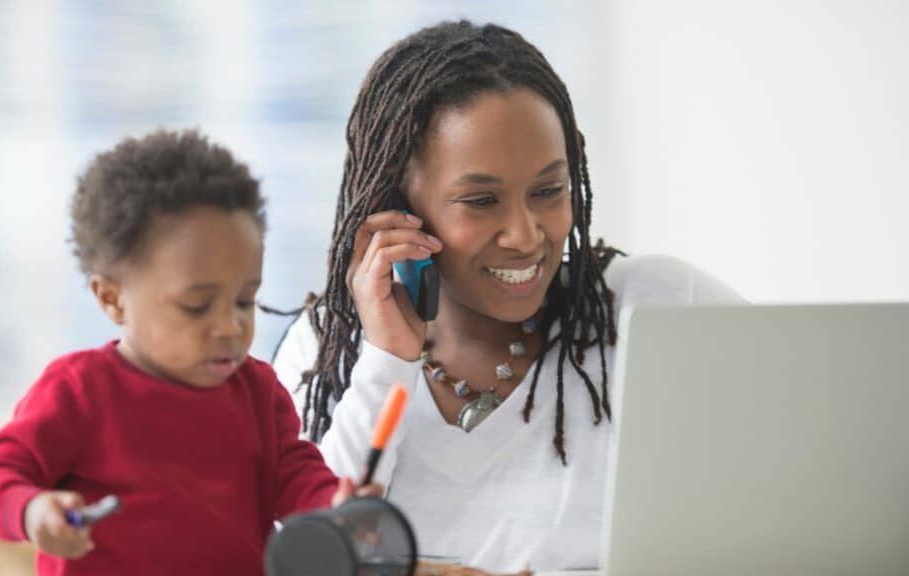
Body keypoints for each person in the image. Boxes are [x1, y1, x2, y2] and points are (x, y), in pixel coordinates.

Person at [273, 21, 743, 572]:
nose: (525, 236)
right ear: (398, 207)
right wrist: (386, 361)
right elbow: (312, 558)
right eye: (480, 200)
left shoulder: (658, 308)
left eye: (549, 191)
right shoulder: (326, 350)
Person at [0, 129, 375, 575]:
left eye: (244, 300)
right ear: (112, 298)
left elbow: (294, 476)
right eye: (196, 306)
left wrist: (334, 504)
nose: (231, 325)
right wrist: (31, 510)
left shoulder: (256, 390)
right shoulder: (80, 390)